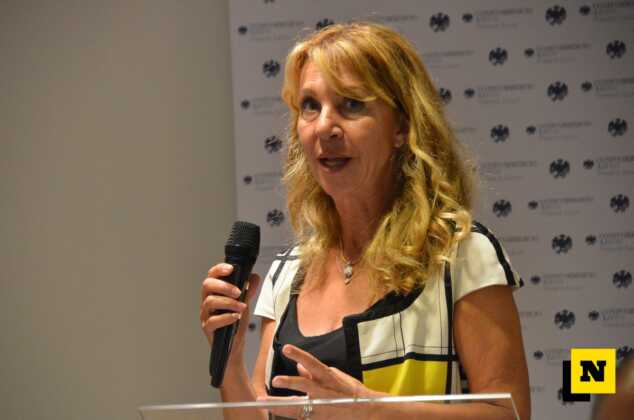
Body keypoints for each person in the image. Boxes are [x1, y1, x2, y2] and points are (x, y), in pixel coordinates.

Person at [200, 22, 530, 420]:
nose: (325, 126)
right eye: (310, 106)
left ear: (401, 127)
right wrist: (231, 365)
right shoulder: (288, 274)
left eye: (352, 105)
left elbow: (508, 414)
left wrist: (373, 411)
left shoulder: (460, 256)